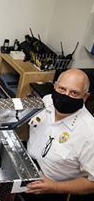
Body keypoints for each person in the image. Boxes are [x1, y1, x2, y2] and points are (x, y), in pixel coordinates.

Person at [24, 69, 94, 201]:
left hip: (55, 189)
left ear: (85, 97)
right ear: (54, 86)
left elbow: (92, 183)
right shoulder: (47, 101)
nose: (65, 96)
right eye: (62, 89)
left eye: (74, 93)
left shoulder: (90, 134)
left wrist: (55, 187)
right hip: (29, 168)